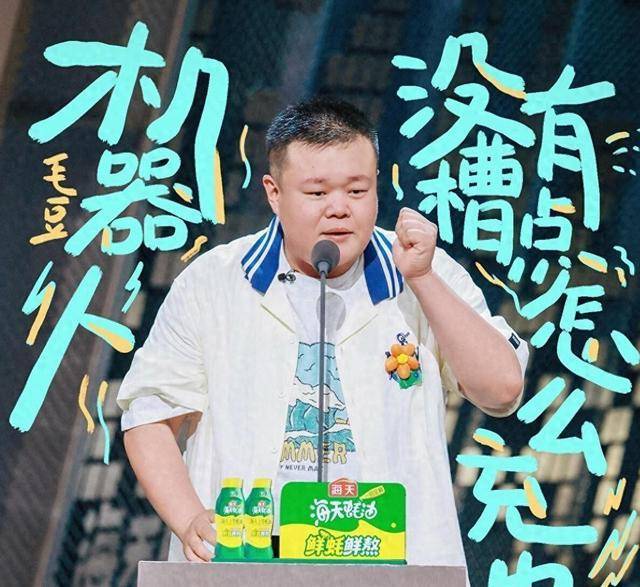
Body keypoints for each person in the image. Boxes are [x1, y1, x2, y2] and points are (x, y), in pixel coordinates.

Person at [117, 97, 529, 572]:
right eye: (316, 193)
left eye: (357, 191)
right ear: (274, 193)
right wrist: (189, 518)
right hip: (246, 564)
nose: (339, 209)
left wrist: (422, 278)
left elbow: (502, 390)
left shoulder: (424, 272)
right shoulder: (214, 282)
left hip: (396, 568)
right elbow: (150, 415)